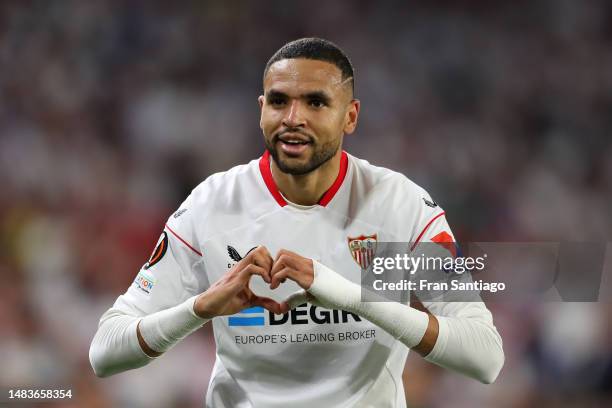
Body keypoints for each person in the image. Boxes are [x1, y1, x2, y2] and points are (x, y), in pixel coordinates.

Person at [89, 37, 504, 407]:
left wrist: (351, 296)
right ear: (261, 110)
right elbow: (105, 352)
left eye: (316, 102)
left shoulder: (400, 207)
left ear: (351, 116)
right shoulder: (212, 206)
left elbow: (484, 355)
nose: (293, 117)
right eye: (279, 100)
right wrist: (199, 308)